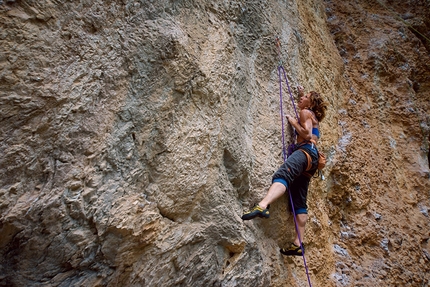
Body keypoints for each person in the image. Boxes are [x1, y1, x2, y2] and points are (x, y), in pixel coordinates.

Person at [241, 86, 327, 256]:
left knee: (282, 175)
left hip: (305, 151)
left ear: (310, 103)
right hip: (312, 159)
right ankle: (298, 244)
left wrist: (292, 121)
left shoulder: (305, 113)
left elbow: (307, 134)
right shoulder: (312, 115)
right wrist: (301, 94)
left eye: (305, 97)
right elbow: (311, 129)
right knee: (299, 202)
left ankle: (263, 205)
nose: (301, 100)